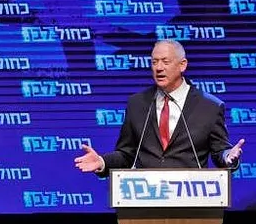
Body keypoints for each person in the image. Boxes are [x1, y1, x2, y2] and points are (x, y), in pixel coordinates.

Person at [75, 40, 243, 174]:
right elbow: (126, 154)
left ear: (182, 65)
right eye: (154, 62)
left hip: (190, 197)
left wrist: (228, 156)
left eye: (165, 62)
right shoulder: (137, 103)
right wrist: (102, 162)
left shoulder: (210, 106)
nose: (159, 68)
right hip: (147, 198)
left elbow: (219, 151)